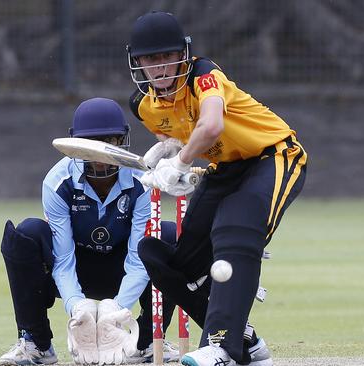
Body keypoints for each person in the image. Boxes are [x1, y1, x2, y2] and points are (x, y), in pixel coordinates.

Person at [126, 11, 308, 366]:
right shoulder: (142, 105)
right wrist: (166, 153)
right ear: (138, 63)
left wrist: (179, 165)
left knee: (233, 232)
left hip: (273, 156)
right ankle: (246, 340)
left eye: (167, 56)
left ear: (184, 54)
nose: (160, 67)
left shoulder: (204, 75)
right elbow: (173, 133)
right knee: (167, 259)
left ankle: (220, 345)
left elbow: (210, 126)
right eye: (151, 59)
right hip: (224, 169)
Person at [0, 97, 180, 366]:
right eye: (91, 145)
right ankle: (36, 345)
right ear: (76, 145)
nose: (100, 155)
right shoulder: (57, 181)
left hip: (123, 270)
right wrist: (76, 307)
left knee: (168, 235)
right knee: (26, 233)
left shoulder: (142, 181)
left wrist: (117, 310)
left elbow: (138, 256)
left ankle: (146, 344)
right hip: (78, 269)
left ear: (123, 140)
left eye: (110, 141)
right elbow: (63, 258)